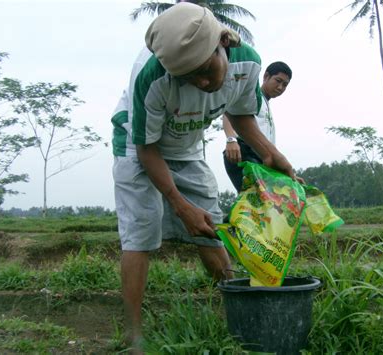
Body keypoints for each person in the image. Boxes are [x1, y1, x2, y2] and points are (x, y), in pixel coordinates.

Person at [110, 2, 296, 351]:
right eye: (191, 77)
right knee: (141, 230)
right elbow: (147, 149)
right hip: (138, 147)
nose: (205, 83)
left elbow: (242, 115)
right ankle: (133, 332)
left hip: (186, 144)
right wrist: (180, 206)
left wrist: (273, 154)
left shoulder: (247, 63)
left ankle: (237, 311)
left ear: (221, 43)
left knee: (209, 227)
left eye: (207, 70)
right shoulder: (150, 76)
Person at [223, 61, 293, 191]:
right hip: (243, 152)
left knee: (264, 204)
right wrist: (231, 139)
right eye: (278, 81)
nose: (280, 87)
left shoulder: (266, 103)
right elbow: (230, 113)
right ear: (266, 76)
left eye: (285, 85)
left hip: (262, 157)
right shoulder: (252, 96)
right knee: (256, 200)